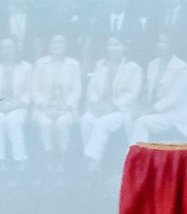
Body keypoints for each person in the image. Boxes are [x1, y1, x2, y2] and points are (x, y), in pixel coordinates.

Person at [80, 37, 143, 168]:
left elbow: (132, 94)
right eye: (110, 45)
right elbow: (92, 88)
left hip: (121, 110)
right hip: (100, 108)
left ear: (124, 47)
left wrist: (113, 107)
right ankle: (91, 157)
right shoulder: (100, 65)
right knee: (85, 120)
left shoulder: (133, 68)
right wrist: (95, 104)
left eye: (117, 45)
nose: (113, 48)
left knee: (101, 123)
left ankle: (92, 162)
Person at [31, 33, 82, 163]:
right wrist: (44, 107)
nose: (57, 45)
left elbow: (77, 90)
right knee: (45, 123)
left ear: (66, 45)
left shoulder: (73, 64)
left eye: (60, 42)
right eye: (54, 42)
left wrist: (65, 107)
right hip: (44, 108)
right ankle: (48, 157)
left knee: (61, 123)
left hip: (66, 108)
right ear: (49, 45)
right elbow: (34, 89)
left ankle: (62, 158)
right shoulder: (40, 63)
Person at [0, 36, 30, 165]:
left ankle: (20, 159)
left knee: (13, 120)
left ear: (16, 49)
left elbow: (28, 92)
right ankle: (1, 160)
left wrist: (13, 106)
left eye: (10, 47)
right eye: (3, 48)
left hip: (18, 106)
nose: (7, 50)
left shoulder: (26, 67)